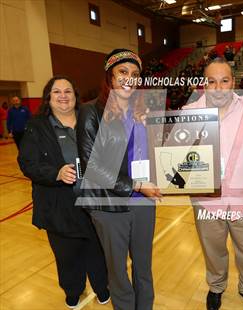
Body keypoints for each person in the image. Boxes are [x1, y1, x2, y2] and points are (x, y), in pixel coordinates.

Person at [76, 48, 161, 310]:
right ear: (110, 77)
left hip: (144, 204)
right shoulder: (91, 113)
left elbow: (154, 155)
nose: (129, 79)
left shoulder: (143, 112)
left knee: (144, 267)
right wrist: (136, 185)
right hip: (109, 206)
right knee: (118, 273)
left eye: (135, 74)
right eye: (122, 72)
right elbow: (93, 165)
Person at [17, 76, 109, 309]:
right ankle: (73, 289)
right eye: (56, 92)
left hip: (94, 200)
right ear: (48, 97)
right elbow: (27, 162)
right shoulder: (37, 125)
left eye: (68, 91)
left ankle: (102, 286)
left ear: (75, 95)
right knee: (66, 253)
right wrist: (55, 173)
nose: (63, 96)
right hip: (58, 203)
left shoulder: (90, 118)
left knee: (97, 249)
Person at [183, 58, 243, 310]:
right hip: (207, 200)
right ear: (203, 84)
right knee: (213, 250)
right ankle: (216, 287)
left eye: (224, 80)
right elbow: (178, 156)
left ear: (234, 81)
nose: (218, 87)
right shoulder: (188, 113)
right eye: (211, 81)